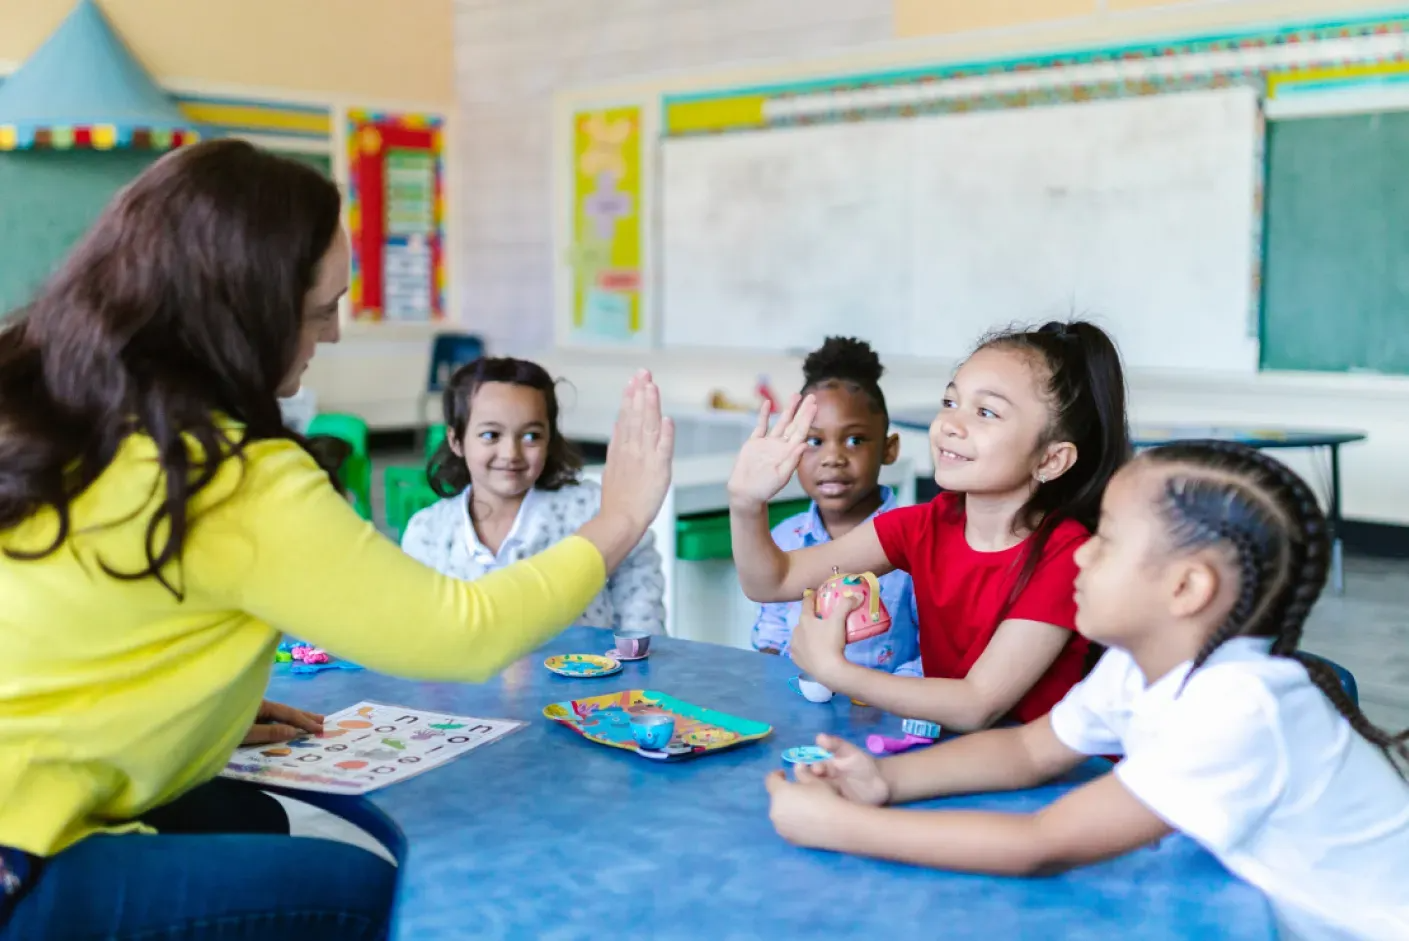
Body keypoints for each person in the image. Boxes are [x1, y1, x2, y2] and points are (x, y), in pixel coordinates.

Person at [0, 139, 674, 940]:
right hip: (19, 850)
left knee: (251, 817)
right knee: (355, 886)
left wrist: (192, 713)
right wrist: (621, 514)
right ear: (242, 312)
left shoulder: (56, 401)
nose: (337, 333)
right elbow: (462, 632)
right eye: (321, 311)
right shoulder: (225, 472)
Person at [764, 442, 1409, 941]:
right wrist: (886, 781)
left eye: (1107, 542)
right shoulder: (1140, 665)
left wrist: (839, 827)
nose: (1077, 556)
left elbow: (1040, 844)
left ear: (1186, 589)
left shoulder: (1239, 706)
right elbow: (1028, 753)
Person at [729, 322, 1129, 730]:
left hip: (1040, 781)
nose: (951, 425)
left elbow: (977, 703)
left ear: (1050, 460)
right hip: (950, 756)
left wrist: (837, 672)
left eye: (986, 412)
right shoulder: (924, 525)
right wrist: (746, 503)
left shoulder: (1067, 556)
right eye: (950, 402)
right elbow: (773, 582)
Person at [402, 357, 665, 635]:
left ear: (549, 439)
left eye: (531, 436)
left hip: (585, 677)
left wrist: (638, 667)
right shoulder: (428, 532)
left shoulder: (596, 511)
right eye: (491, 435)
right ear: (457, 441)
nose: (511, 453)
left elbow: (641, 605)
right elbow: (417, 633)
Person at [749, 337, 920, 677]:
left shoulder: (918, 546)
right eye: (814, 441)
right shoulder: (784, 538)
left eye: (854, 440)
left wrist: (882, 700)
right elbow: (771, 635)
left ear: (889, 449)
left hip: (885, 717)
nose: (832, 458)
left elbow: (935, 657)